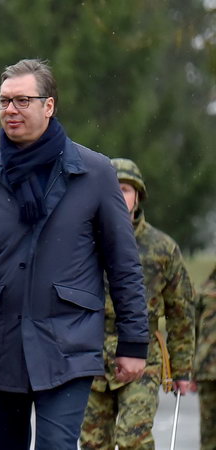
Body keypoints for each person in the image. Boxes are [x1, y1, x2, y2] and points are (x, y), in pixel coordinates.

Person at [0, 59, 148, 449]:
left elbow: (123, 264)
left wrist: (133, 343)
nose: (10, 110)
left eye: (22, 100)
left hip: (68, 344)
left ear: (49, 106)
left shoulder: (94, 174)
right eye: (4, 101)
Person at [79, 158, 195, 449]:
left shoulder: (162, 248)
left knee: (134, 439)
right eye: (112, 189)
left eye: (125, 189)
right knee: (93, 443)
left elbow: (180, 311)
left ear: (138, 196)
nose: (119, 196)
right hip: (91, 355)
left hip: (144, 356)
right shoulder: (84, 241)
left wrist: (182, 370)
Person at [193, 269, 216, 449]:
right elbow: (192, 331)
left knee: (209, 429)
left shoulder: (204, 289)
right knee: (208, 430)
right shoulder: (204, 291)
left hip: (205, 366)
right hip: (206, 368)